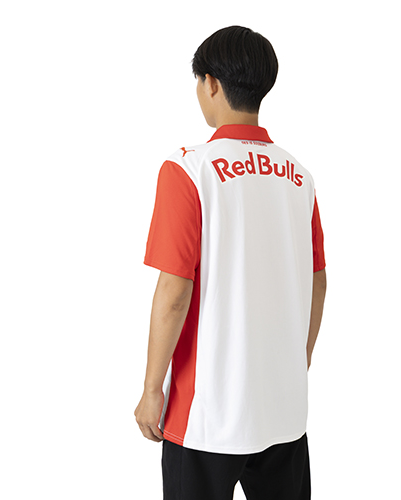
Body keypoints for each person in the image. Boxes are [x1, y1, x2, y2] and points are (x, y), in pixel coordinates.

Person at [134, 25, 327, 500]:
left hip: (206, 415)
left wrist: (153, 389)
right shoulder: (298, 176)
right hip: (283, 409)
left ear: (211, 84)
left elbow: (174, 290)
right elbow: (318, 279)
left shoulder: (188, 169)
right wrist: (298, 358)